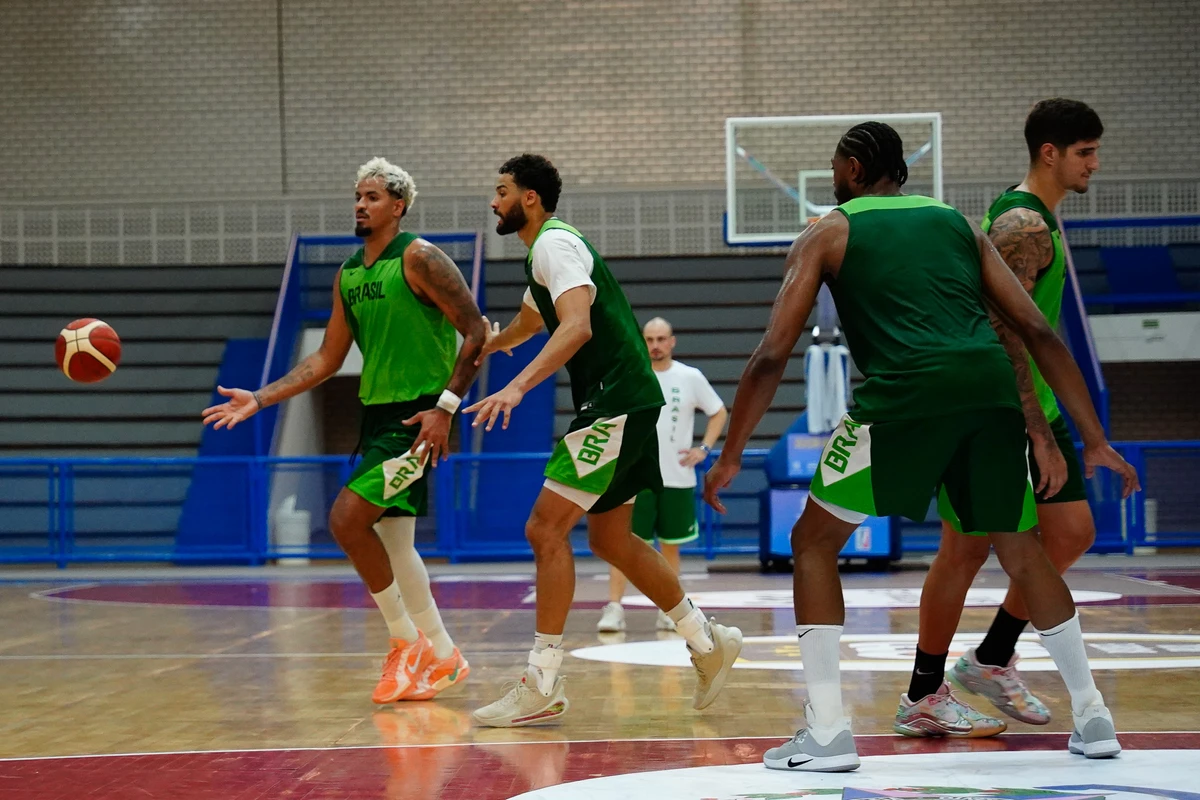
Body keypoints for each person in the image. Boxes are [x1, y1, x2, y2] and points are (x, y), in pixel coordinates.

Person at [704, 122, 1140, 772]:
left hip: (907, 394)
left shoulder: (829, 231)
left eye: (835, 165)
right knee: (1022, 550)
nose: (832, 175)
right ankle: (1094, 717)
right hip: (990, 390)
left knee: (814, 542)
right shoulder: (957, 223)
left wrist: (732, 453)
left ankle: (827, 731)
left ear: (854, 169)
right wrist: (1096, 439)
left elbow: (772, 353)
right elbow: (1038, 330)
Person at [467, 153, 742, 728]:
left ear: (530, 198)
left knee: (545, 528)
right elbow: (532, 322)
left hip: (614, 400)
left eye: (502, 191)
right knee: (612, 539)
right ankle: (705, 639)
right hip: (627, 400)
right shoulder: (544, 255)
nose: (494, 202)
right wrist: (491, 344)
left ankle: (542, 680)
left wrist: (516, 387)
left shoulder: (554, 244)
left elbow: (576, 325)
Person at [202, 157, 486, 704]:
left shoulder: (421, 258)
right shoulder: (349, 274)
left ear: (398, 206)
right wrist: (259, 398)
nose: (360, 204)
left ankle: (406, 642)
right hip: (376, 416)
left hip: (416, 418)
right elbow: (327, 358)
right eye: (358, 196)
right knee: (396, 545)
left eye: (372, 197)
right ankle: (445, 655)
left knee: (346, 520)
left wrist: (445, 409)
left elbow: (475, 332)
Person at [905, 99, 1107, 733]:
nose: (1094, 164)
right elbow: (1001, 332)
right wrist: (1035, 431)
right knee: (962, 551)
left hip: (1037, 407)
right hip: (1002, 411)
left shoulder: (1040, 219)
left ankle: (990, 658)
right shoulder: (1023, 224)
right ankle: (923, 691)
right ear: (1050, 153)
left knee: (1071, 532)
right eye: (1085, 153)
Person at [598, 317, 728, 633]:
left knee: (671, 546)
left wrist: (704, 448)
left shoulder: (690, 377)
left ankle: (669, 611)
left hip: (676, 476)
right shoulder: (630, 374)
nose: (655, 345)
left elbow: (718, 411)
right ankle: (614, 607)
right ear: (642, 341)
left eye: (661, 339)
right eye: (650, 339)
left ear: (672, 341)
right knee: (623, 544)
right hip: (634, 477)